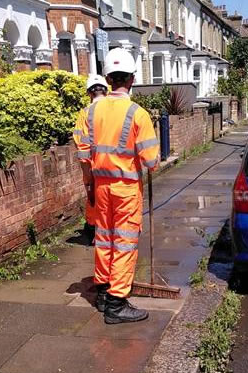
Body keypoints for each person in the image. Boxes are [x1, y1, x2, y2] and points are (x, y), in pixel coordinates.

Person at [76, 47, 160, 324]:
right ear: (132, 79)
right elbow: (151, 161)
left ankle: (102, 291)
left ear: (109, 78)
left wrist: (89, 185)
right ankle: (116, 303)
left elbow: (83, 153)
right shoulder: (138, 114)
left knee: (104, 239)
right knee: (124, 243)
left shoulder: (91, 111)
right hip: (125, 189)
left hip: (101, 187)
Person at [74, 75, 108, 245]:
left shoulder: (85, 114)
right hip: (120, 170)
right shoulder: (118, 110)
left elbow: (82, 148)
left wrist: (87, 178)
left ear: (89, 93)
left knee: (96, 202)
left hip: (95, 169)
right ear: (106, 91)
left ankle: (97, 235)